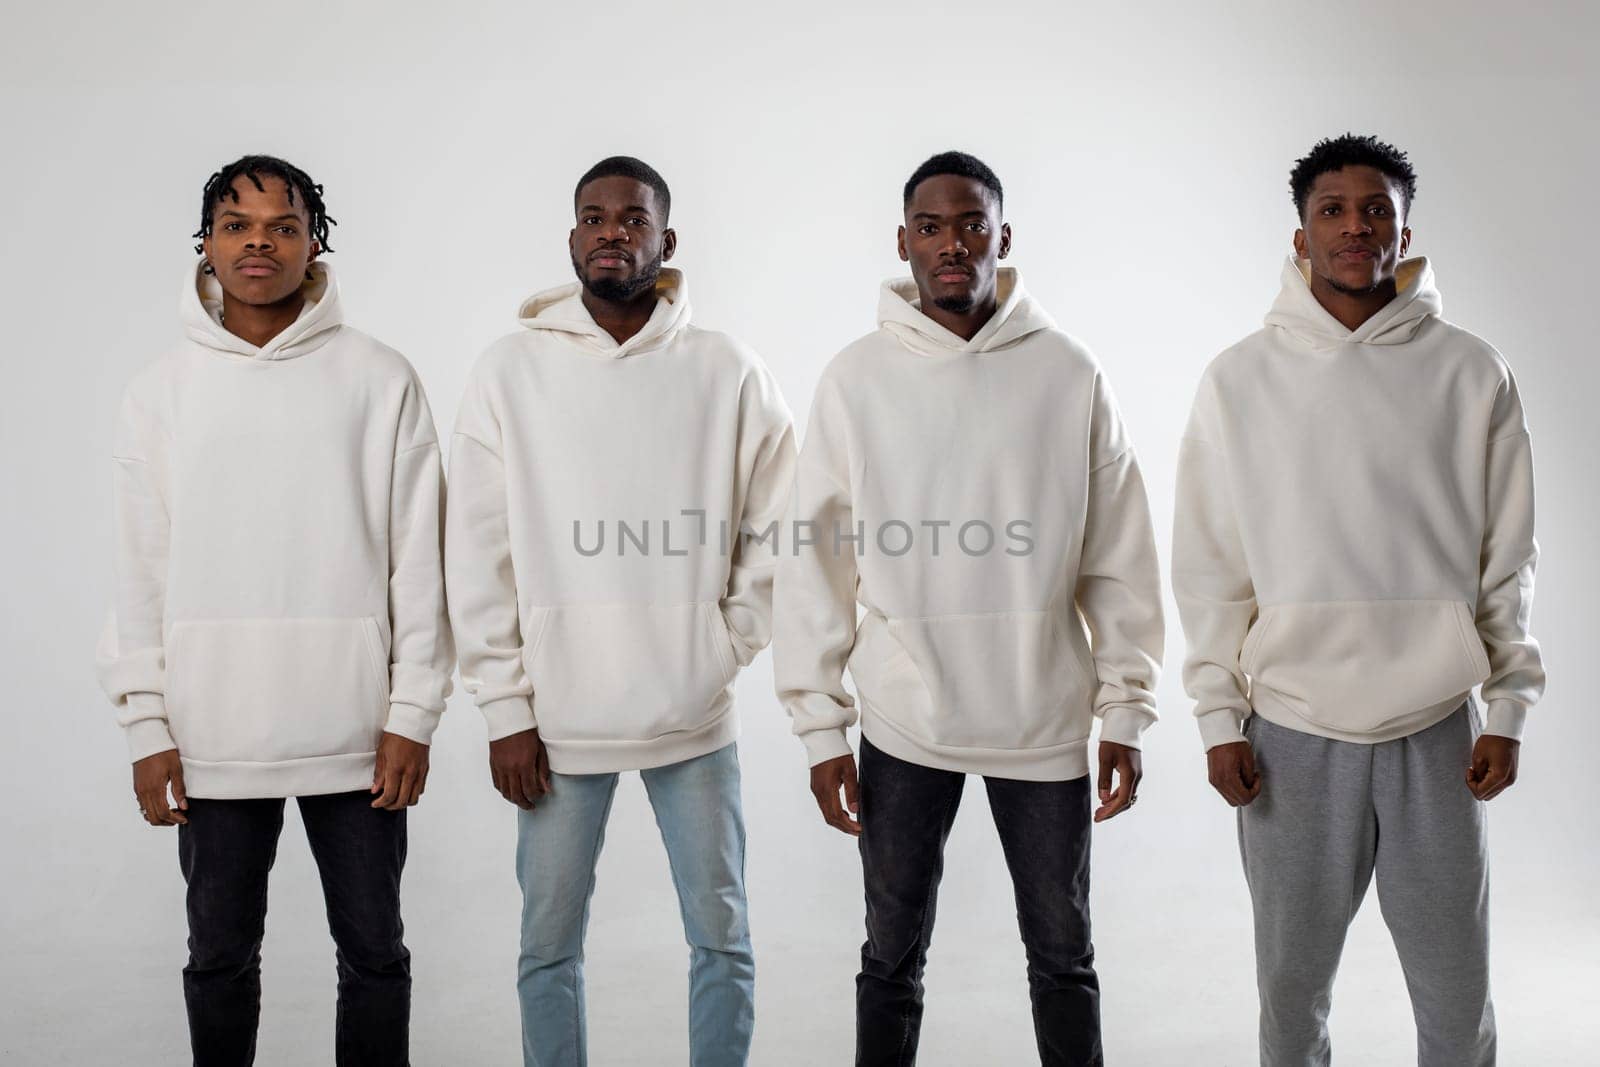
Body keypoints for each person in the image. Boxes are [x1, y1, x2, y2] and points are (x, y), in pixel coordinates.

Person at [773, 151, 1163, 1066]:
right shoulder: (855, 379)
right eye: (934, 227)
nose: (954, 244)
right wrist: (820, 726)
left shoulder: (1069, 373)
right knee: (890, 956)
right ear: (904, 240)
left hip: (1043, 719)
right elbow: (818, 562)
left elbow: (1119, 557)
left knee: (1063, 957)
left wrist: (1127, 708)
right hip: (906, 721)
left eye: (972, 225)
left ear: (1003, 237)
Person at [1171, 133, 1545, 1066]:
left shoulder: (1471, 371)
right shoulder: (1238, 380)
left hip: (1436, 727)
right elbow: (1211, 563)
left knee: (1457, 999)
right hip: (1290, 731)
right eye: (1332, 211)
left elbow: (1509, 550)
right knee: (1290, 1000)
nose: (1354, 226)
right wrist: (1218, 715)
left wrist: (1507, 704)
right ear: (1300, 237)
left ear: (1403, 228)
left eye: (1374, 208)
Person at [96, 154, 454, 1067]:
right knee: (218, 957)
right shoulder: (158, 394)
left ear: (314, 243)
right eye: (237, 225)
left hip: (358, 731)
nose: (260, 241)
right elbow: (141, 568)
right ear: (207, 245)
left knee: (374, 954)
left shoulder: (381, 378)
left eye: (283, 225)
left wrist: (411, 713)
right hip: (213, 733)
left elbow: (420, 560)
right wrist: (146, 723)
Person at [446, 156, 795, 1067]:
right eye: (593, 217)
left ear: (664, 241)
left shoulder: (727, 369)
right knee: (547, 948)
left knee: (723, 939)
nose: (612, 231)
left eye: (632, 219)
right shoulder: (507, 372)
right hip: (557, 724)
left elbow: (784, 520)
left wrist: (725, 644)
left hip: (694, 712)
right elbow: (477, 554)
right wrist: (505, 709)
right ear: (571, 239)